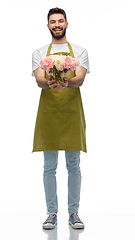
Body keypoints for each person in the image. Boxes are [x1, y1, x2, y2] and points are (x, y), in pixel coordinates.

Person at [32, 7, 90, 230]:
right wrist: (50, 83)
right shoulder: (39, 53)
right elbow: (39, 79)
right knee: (49, 165)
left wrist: (67, 82)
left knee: (74, 165)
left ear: (67, 24)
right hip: (49, 112)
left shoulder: (80, 51)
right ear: (48, 26)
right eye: (53, 22)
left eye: (61, 21)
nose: (57, 25)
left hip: (72, 112)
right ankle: (51, 213)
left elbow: (80, 78)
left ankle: (74, 213)